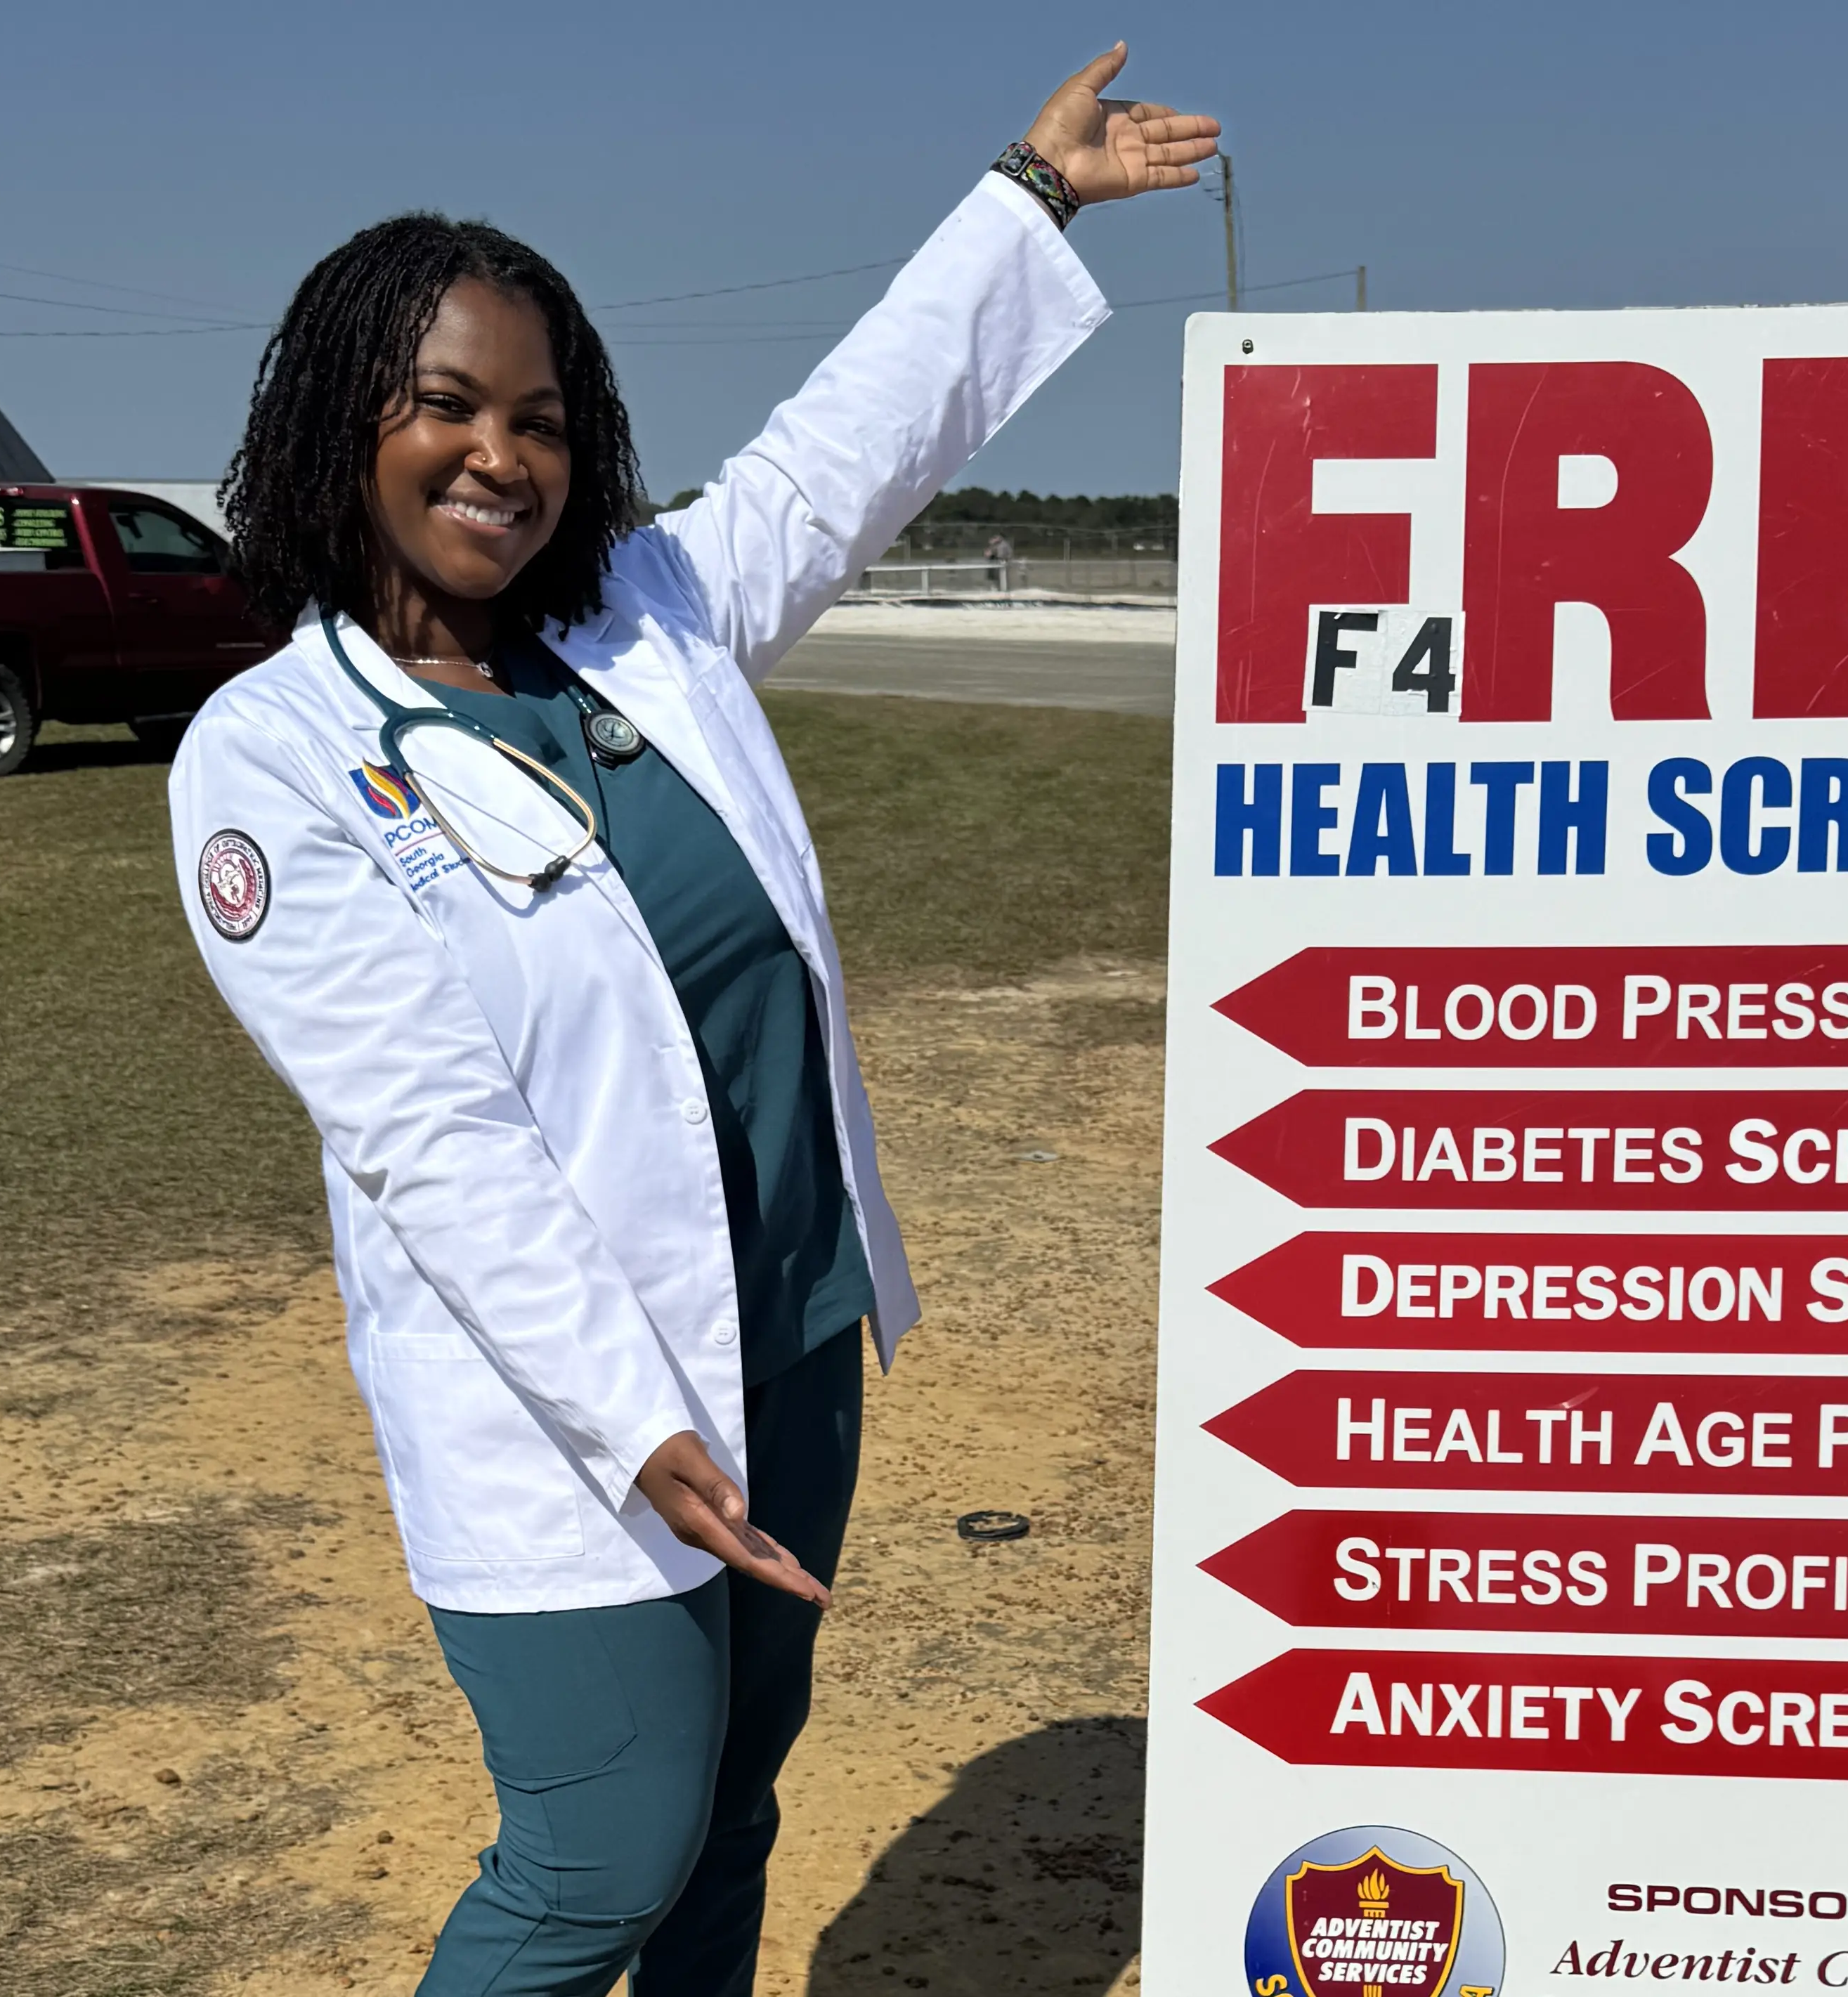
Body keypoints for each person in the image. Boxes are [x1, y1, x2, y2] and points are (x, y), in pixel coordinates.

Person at [166, 48, 1213, 1996]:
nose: (502, 456)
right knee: (600, 1857)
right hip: (570, 1405)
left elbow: (841, 454)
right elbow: (431, 1139)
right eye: (447, 407)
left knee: (732, 1813)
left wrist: (1028, 197)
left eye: (543, 419)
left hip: (793, 1333)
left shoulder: (642, 616)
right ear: (341, 426)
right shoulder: (271, 759)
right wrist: (635, 1419)